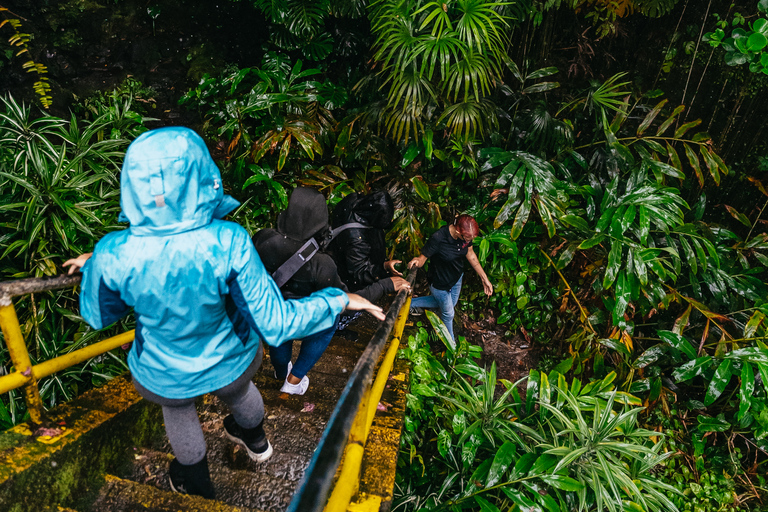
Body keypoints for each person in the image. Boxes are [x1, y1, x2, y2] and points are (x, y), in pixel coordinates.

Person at [62, 127, 384, 500]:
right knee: (239, 391)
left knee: (179, 412)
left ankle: (196, 485)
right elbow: (275, 321)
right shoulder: (230, 240)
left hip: (167, 368)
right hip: (229, 357)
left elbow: (100, 314)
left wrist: (100, 267)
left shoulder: (117, 251)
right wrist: (337, 300)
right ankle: (256, 439)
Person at [252, 187, 410, 395]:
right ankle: (293, 381)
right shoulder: (321, 264)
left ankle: (281, 372)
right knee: (330, 322)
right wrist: (385, 284)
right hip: (306, 319)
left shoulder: (263, 239)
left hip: (274, 312)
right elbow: (344, 301)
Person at [408, 215, 493, 342]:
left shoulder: (466, 238)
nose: (469, 241)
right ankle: (451, 346)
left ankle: (410, 303)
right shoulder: (438, 238)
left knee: (449, 305)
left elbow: (471, 255)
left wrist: (484, 278)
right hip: (440, 283)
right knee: (448, 314)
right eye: (468, 239)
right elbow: (422, 258)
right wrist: (416, 262)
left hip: (456, 278)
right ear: (458, 232)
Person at [329, 190, 403, 299]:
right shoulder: (356, 239)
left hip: (336, 248)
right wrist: (384, 267)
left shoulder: (353, 200)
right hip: (343, 271)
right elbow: (359, 271)